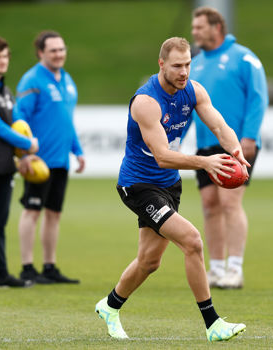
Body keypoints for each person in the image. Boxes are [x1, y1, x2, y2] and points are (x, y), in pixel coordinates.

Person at [95, 37, 249, 342]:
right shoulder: (146, 102)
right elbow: (163, 156)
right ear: (162, 64)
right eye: (177, 65)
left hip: (169, 186)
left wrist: (236, 151)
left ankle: (109, 306)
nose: (184, 71)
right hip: (138, 185)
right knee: (192, 241)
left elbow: (219, 126)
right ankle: (213, 323)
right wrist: (205, 163)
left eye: (188, 64)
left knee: (149, 261)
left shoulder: (193, 90)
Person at [187, 7, 268, 289]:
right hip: (204, 147)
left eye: (199, 27)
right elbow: (188, 107)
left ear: (216, 27)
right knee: (210, 206)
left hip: (236, 145)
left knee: (230, 203)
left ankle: (235, 269)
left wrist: (249, 137)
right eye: (194, 27)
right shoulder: (194, 64)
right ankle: (217, 268)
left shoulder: (244, 58)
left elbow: (259, 99)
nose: (194, 32)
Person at [15, 30, 85, 284]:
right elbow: (19, 119)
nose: (59, 54)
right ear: (41, 53)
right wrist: (23, 154)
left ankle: (49, 266)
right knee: (32, 211)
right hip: (38, 160)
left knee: (54, 214)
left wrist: (77, 150)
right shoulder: (32, 80)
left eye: (61, 49)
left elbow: (66, 120)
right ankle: (26, 268)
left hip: (60, 160)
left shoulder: (67, 79)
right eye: (53, 50)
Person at [0, 34, 38, 288]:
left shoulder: (6, 93)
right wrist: (27, 144)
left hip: (4, 167)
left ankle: (2, 274)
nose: (3, 61)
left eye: (5, 56)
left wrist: (26, 154)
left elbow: (18, 123)